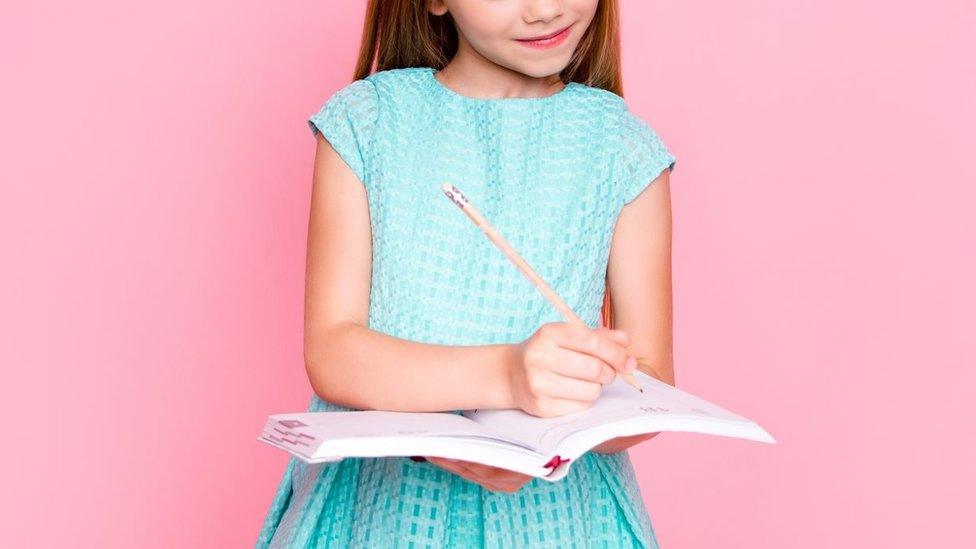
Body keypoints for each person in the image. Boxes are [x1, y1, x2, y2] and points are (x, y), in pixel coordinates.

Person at [256, 0, 678, 546]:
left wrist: (552, 441)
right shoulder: (368, 121)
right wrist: (508, 375)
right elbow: (332, 351)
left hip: (564, 520)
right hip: (380, 512)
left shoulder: (623, 147)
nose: (546, 9)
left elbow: (650, 386)